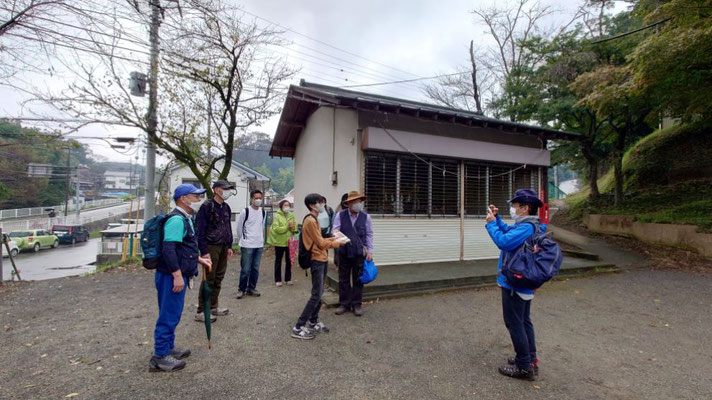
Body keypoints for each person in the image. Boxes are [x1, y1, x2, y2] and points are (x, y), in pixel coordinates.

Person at [484, 188, 545, 381]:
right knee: (524, 321)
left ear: (525, 208)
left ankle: (523, 367)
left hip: (515, 284)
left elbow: (503, 241)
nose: (513, 209)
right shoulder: (530, 225)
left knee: (515, 323)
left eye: (515, 206)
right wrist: (498, 219)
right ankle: (529, 359)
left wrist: (491, 225)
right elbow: (509, 233)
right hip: (523, 282)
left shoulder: (526, 228)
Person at [150, 184, 212, 372]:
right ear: (183, 199)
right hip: (171, 276)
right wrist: (177, 275)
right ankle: (160, 357)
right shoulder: (177, 220)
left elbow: (182, 248)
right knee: (169, 315)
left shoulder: (185, 219)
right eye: (195, 196)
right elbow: (169, 249)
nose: (198, 200)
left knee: (173, 313)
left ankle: (169, 348)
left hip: (175, 274)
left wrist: (198, 259)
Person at [291, 193, 344, 340]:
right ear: (312, 205)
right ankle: (298, 326)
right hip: (316, 260)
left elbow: (320, 239)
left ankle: (313, 321)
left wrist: (334, 238)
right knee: (316, 294)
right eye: (320, 202)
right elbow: (321, 244)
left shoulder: (315, 219)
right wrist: (338, 243)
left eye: (323, 202)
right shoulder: (310, 221)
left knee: (319, 293)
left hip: (322, 258)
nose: (322, 205)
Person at [194, 181, 235, 322]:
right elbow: (200, 230)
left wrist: (230, 245)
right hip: (211, 246)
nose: (228, 191)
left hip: (223, 245)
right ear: (217, 190)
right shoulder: (207, 206)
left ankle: (213, 306)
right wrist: (204, 251)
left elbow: (228, 226)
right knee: (209, 278)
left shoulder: (226, 207)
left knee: (219, 277)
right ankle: (201, 310)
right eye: (226, 189)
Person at [332, 191, 374, 317]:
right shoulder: (340, 215)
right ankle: (344, 304)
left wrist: (370, 251)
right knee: (343, 279)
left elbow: (369, 234)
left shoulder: (366, 217)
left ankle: (357, 304)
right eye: (355, 202)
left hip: (359, 253)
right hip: (344, 252)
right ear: (349, 203)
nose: (358, 204)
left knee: (358, 279)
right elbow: (334, 230)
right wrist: (341, 239)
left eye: (360, 201)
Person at [236, 190, 266, 299]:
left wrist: (262, 239)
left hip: (259, 244)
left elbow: (262, 226)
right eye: (256, 198)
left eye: (260, 198)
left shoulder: (263, 211)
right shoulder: (245, 211)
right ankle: (241, 289)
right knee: (245, 269)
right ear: (251, 199)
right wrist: (243, 240)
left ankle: (251, 288)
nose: (258, 200)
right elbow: (239, 228)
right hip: (247, 244)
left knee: (255, 268)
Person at [266, 199, 297, 287]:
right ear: (281, 207)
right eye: (285, 205)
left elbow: (295, 229)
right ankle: (278, 279)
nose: (287, 207)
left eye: (288, 205)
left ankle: (288, 279)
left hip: (289, 242)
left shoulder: (291, 215)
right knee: (278, 261)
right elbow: (277, 229)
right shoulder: (277, 216)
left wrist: (292, 228)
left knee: (289, 260)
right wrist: (287, 226)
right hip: (279, 242)